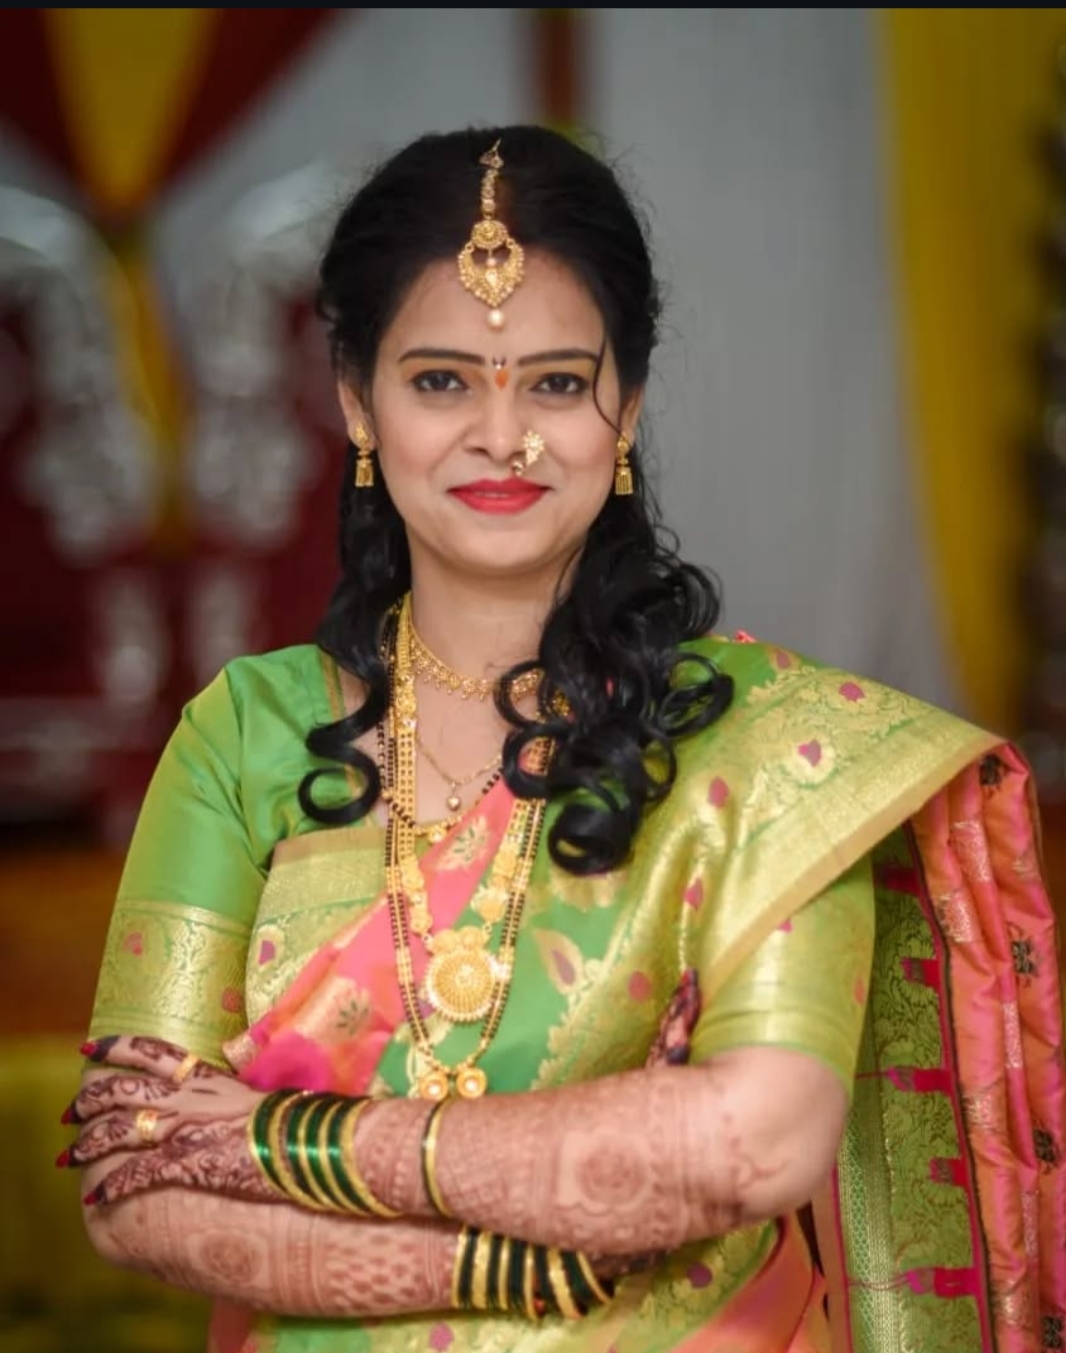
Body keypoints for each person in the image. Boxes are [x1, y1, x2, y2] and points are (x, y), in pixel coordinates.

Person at [61, 124, 1064, 1353]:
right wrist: (525, 1260)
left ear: (625, 406)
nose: (502, 436)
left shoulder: (770, 751)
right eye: (441, 381)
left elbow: (756, 1140)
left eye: (553, 383)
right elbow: (134, 1183)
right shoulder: (246, 734)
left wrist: (281, 1140)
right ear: (356, 402)